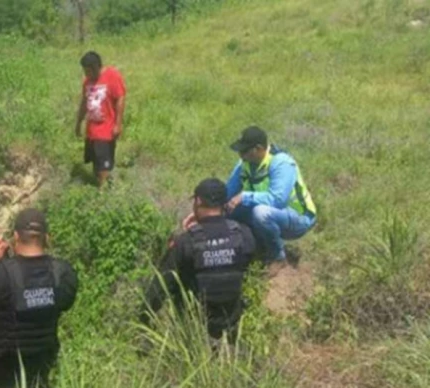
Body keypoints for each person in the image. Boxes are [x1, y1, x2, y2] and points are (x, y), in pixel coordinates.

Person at [0, 209, 78, 388]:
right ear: (47, 238)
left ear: (16, 236)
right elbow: (65, 303)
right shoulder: (62, 273)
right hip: (39, 365)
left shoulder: (0, 273)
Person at [146, 178, 257, 342]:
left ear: (198, 201)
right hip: (232, 327)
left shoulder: (185, 242)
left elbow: (159, 288)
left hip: (196, 329)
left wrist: (143, 319)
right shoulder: (243, 234)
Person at [220, 126, 318, 274]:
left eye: (244, 151)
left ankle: (278, 258)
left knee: (261, 213)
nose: (240, 155)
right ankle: (254, 248)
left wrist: (244, 196)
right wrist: (208, 209)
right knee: (228, 209)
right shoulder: (244, 164)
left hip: (298, 217)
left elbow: (277, 199)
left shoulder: (281, 163)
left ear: (258, 149)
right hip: (270, 213)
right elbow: (228, 193)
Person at [74, 51, 127, 188]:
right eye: (85, 71)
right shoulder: (87, 82)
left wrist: (118, 124)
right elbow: (84, 102)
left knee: (104, 161)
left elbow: (120, 98)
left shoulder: (112, 75)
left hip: (106, 128)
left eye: (88, 71)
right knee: (95, 161)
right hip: (92, 129)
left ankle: (102, 192)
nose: (86, 74)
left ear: (96, 67)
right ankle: (99, 183)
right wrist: (79, 122)